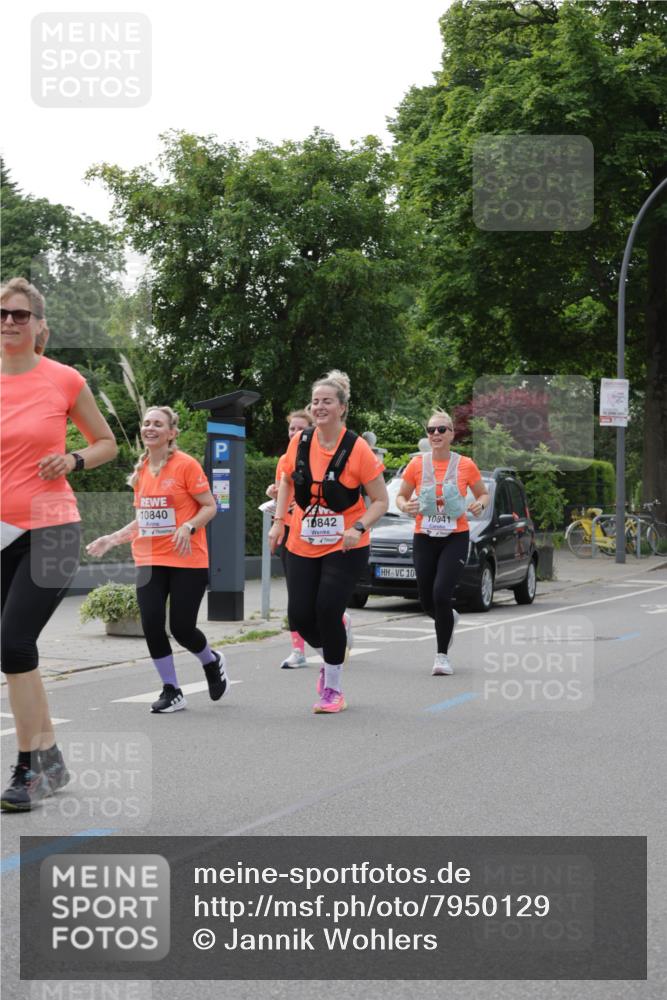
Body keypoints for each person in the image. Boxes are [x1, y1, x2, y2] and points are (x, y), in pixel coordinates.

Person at [1, 277, 118, 811]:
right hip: (2, 534)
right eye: (2, 313)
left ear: (37, 324)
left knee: (14, 644)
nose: (8, 322)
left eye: (19, 314)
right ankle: (51, 761)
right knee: (14, 650)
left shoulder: (63, 380)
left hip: (53, 525)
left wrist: (72, 460)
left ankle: (27, 768)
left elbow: (107, 443)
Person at [86, 406, 228, 714]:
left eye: (158, 424)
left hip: (187, 559)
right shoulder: (141, 472)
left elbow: (210, 506)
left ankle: (211, 661)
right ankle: (171, 690)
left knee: (182, 629)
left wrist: (189, 526)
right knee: (151, 623)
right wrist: (112, 538)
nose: (150, 427)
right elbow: (143, 520)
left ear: (171, 433)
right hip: (150, 558)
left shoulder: (186, 466)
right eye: (147, 423)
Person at [268, 370, 388, 714]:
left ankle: (332, 687)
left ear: (342, 408)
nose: (319, 407)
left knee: (327, 609)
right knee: (300, 617)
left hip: (345, 544)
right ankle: (335, 642)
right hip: (303, 541)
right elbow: (288, 480)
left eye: (327, 402)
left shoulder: (357, 449)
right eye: (315, 402)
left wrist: (360, 528)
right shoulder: (300, 441)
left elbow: (381, 500)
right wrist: (278, 523)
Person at [396, 410, 489, 676]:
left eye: (441, 430)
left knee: (441, 594)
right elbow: (400, 497)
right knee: (426, 600)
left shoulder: (465, 464)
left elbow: (483, 494)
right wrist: (406, 506)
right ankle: (448, 618)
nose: (435, 434)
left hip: (454, 537)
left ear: (452, 434)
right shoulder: (416, 465)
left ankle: (442, 656)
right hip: (424, 536)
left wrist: (479, 505)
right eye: (431, 430)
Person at [265, 409, 315, 669]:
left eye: (300, 429)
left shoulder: (319, 457)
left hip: (316, 534)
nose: (294, 433)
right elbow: (281, 496)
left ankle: (340, 620)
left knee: (318, 597)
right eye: (291, 429)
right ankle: (298, 651)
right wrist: (274, 493)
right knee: (295, 594)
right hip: (290, 533)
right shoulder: (285, 459)